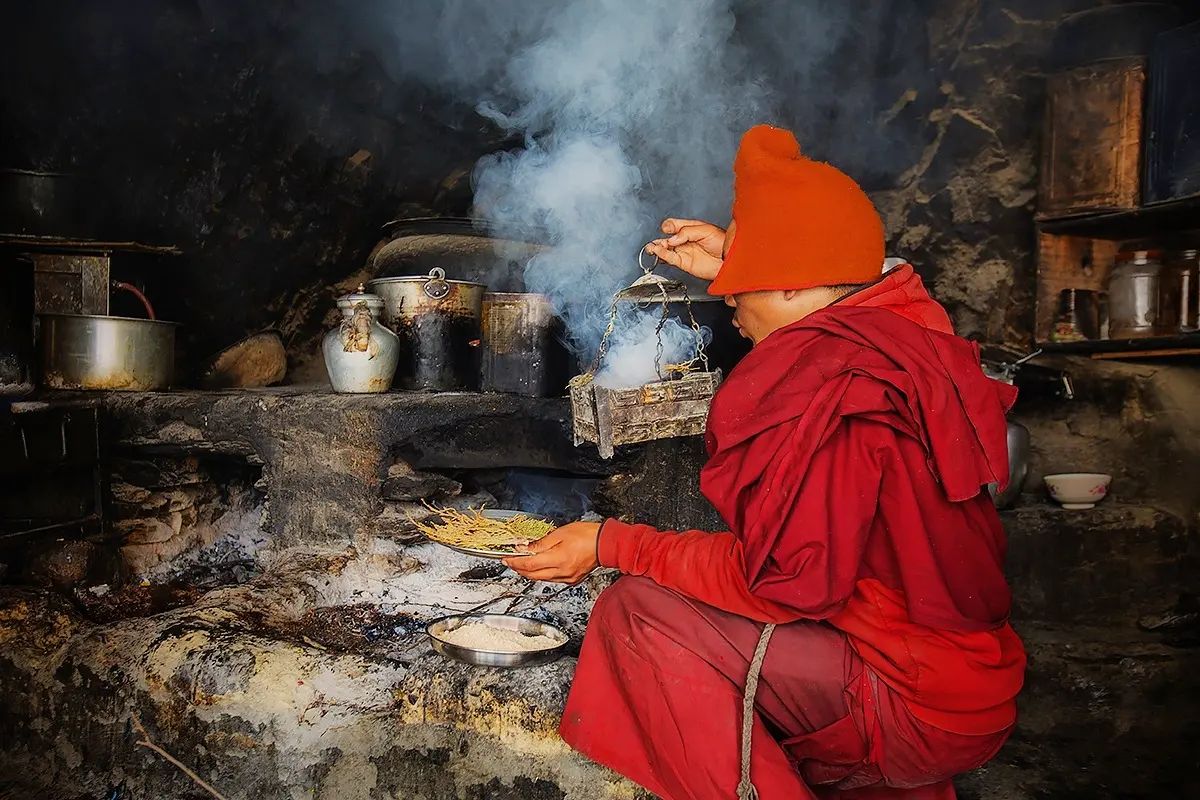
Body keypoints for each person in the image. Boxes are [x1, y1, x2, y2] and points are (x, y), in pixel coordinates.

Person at [503, 124, 1025, 800]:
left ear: (791, 284)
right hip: (971, 690)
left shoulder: (815, 378)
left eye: (744, 282)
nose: (728, 301)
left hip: (908, 710)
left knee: (636, 611)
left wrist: (614, 542)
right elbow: (858, 279)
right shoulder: (902, 342)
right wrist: (754, 258)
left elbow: (784, 586)